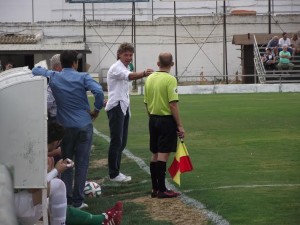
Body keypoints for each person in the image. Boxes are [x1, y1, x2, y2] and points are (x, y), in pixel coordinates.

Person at [32, 50, 105, 209]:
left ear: (61, 64)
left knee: (66, 162)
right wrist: (96, 110)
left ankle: (66, 199)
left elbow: (35, 70)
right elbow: (99, 91)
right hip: (83, 125)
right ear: (75, 63)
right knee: (82, 163)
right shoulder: (83, 76)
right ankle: (78, 201)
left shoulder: (54, 76)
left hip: (64, 127)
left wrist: (49, 71)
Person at [105, 42, 153, 182]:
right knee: (116, 141)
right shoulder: (116, 68)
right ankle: (114, 173)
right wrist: (144, 73)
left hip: (123, 106)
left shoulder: (125, 66)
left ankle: (116, 171)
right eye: (126, 54)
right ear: (119, 54)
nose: (129, 57)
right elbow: (130, 76)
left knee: (122, 142)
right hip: (116, 107)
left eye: (131, 55)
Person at [144, 52, 184, 198]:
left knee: (154, 154)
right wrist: (179, 125)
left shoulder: (149, 78)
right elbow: (173, 104)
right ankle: (162, 189)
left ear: (158, 63)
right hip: (166, 120)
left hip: (153, 118)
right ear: (172, 64)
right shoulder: (170, 79)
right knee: (163, 155)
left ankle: (155, 188)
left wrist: (152, 118)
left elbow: (146, 102)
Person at [14, 122, 69, 225]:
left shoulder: (22, 148)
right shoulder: (35, 154)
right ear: (56, 142)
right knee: (58, 185)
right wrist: (56, 171)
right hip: (13, 205)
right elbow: (33, 188)